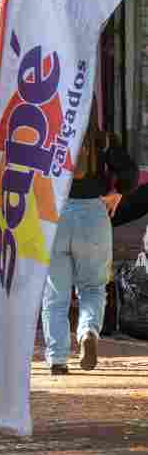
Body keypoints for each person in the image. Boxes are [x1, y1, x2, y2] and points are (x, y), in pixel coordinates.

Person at [40, 124, 136, 374]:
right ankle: (87, 332)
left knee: (54, 293)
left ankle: (57, 359)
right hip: (94, 213)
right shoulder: (103, 137)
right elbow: (130, 173)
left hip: (54, 213)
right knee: (93, 287)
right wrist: (117, 192)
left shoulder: (47, 130)